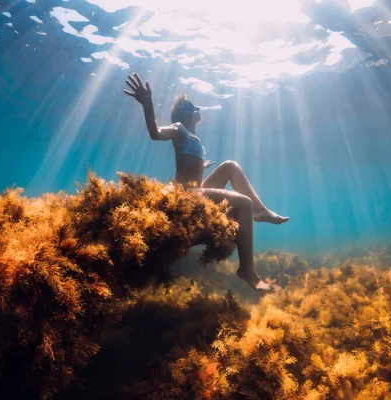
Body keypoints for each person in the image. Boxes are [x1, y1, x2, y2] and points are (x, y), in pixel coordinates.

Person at [124, 73, 289, 291]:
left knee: (230, 165)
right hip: (186, 195)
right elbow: (155, 133)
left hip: (197, 190)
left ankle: (259, 211)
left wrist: (202, 166)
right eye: (192, 106)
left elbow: (189, 163)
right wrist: (147, 104)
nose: (198, 109)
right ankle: (246, 268)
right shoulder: (179, 128)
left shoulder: (195, 139)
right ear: (184, 114)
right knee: (243, 203)